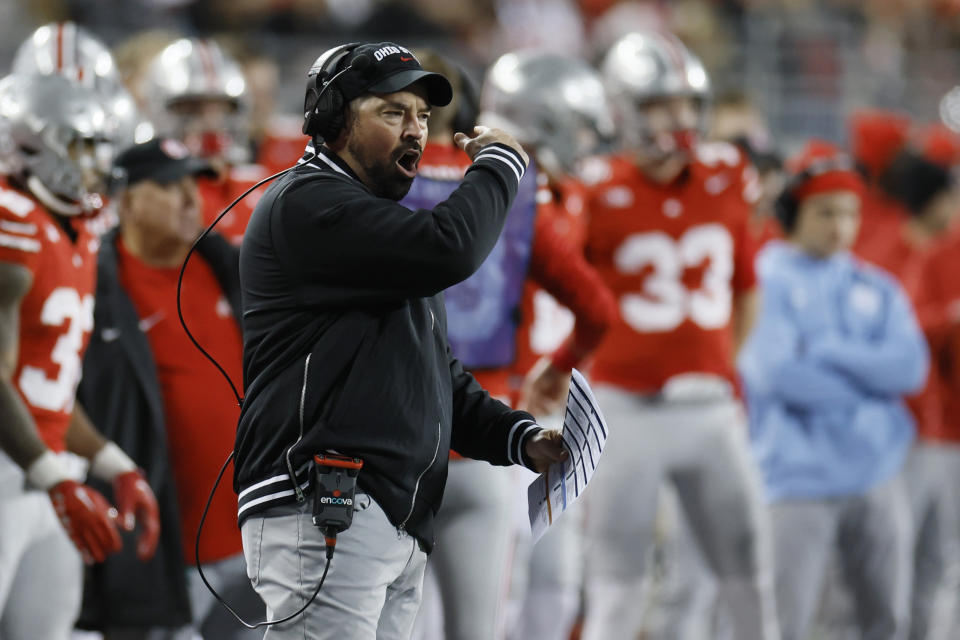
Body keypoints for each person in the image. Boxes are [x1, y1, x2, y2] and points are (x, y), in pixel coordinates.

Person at [234, 42, 567, 639]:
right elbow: (453, 247)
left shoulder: (369, 220)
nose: (415, 131)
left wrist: (519, 438)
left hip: (380, 513)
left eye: (422, 116)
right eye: (393, 113)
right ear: (333, 119)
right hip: (324, 505)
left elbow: (431, 372)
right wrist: (500, 166)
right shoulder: (309, 204)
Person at [403, 49, 617, 640]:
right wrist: (557, 371)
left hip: (396, 438)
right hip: (490, 433)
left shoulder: (368, 189)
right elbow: (598, 309)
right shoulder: (514, 188)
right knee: (492, 622)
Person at [575, 30, 779, 640]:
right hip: (624, 407)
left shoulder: (726, 170)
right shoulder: (593, 186)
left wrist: (718, 365)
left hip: (710, 408)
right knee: (618, 582)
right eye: (664, 105)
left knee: (749, 575)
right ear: (622, 109)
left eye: (688, 104)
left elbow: (747, 289)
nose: (682, 119)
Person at [738, 140, 928, 640]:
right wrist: (870, 388)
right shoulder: (763, 281)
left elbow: (910, 369)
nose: (840, 226)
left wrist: (825, 350)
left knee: (885, 620)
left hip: (876, 475)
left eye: (850, 213)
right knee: (784, 624)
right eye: (826, 212)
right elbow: (777, 375)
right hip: (794, 480)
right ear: (795, 211)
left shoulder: (876, 285)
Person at [77, 138, 264, 639]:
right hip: (159, 557)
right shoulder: (93, 287)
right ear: (127, 199)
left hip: (257, 546)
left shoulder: (229, 267)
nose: (190, 199)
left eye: (193, 184)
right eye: (169, 186)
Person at [0, 72, 160, 640]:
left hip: (42, 471)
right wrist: (55, 478)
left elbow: (47, 390)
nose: (95, 161)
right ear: (30, 140)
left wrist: (114, 465)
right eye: (81, 143)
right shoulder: (10, 219)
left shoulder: (75, 229)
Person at [139, 37, 267, 244]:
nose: (210, 122)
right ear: (157, 109)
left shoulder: (263, 189)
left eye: (222, 107)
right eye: (192, 107)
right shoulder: (144, 195)